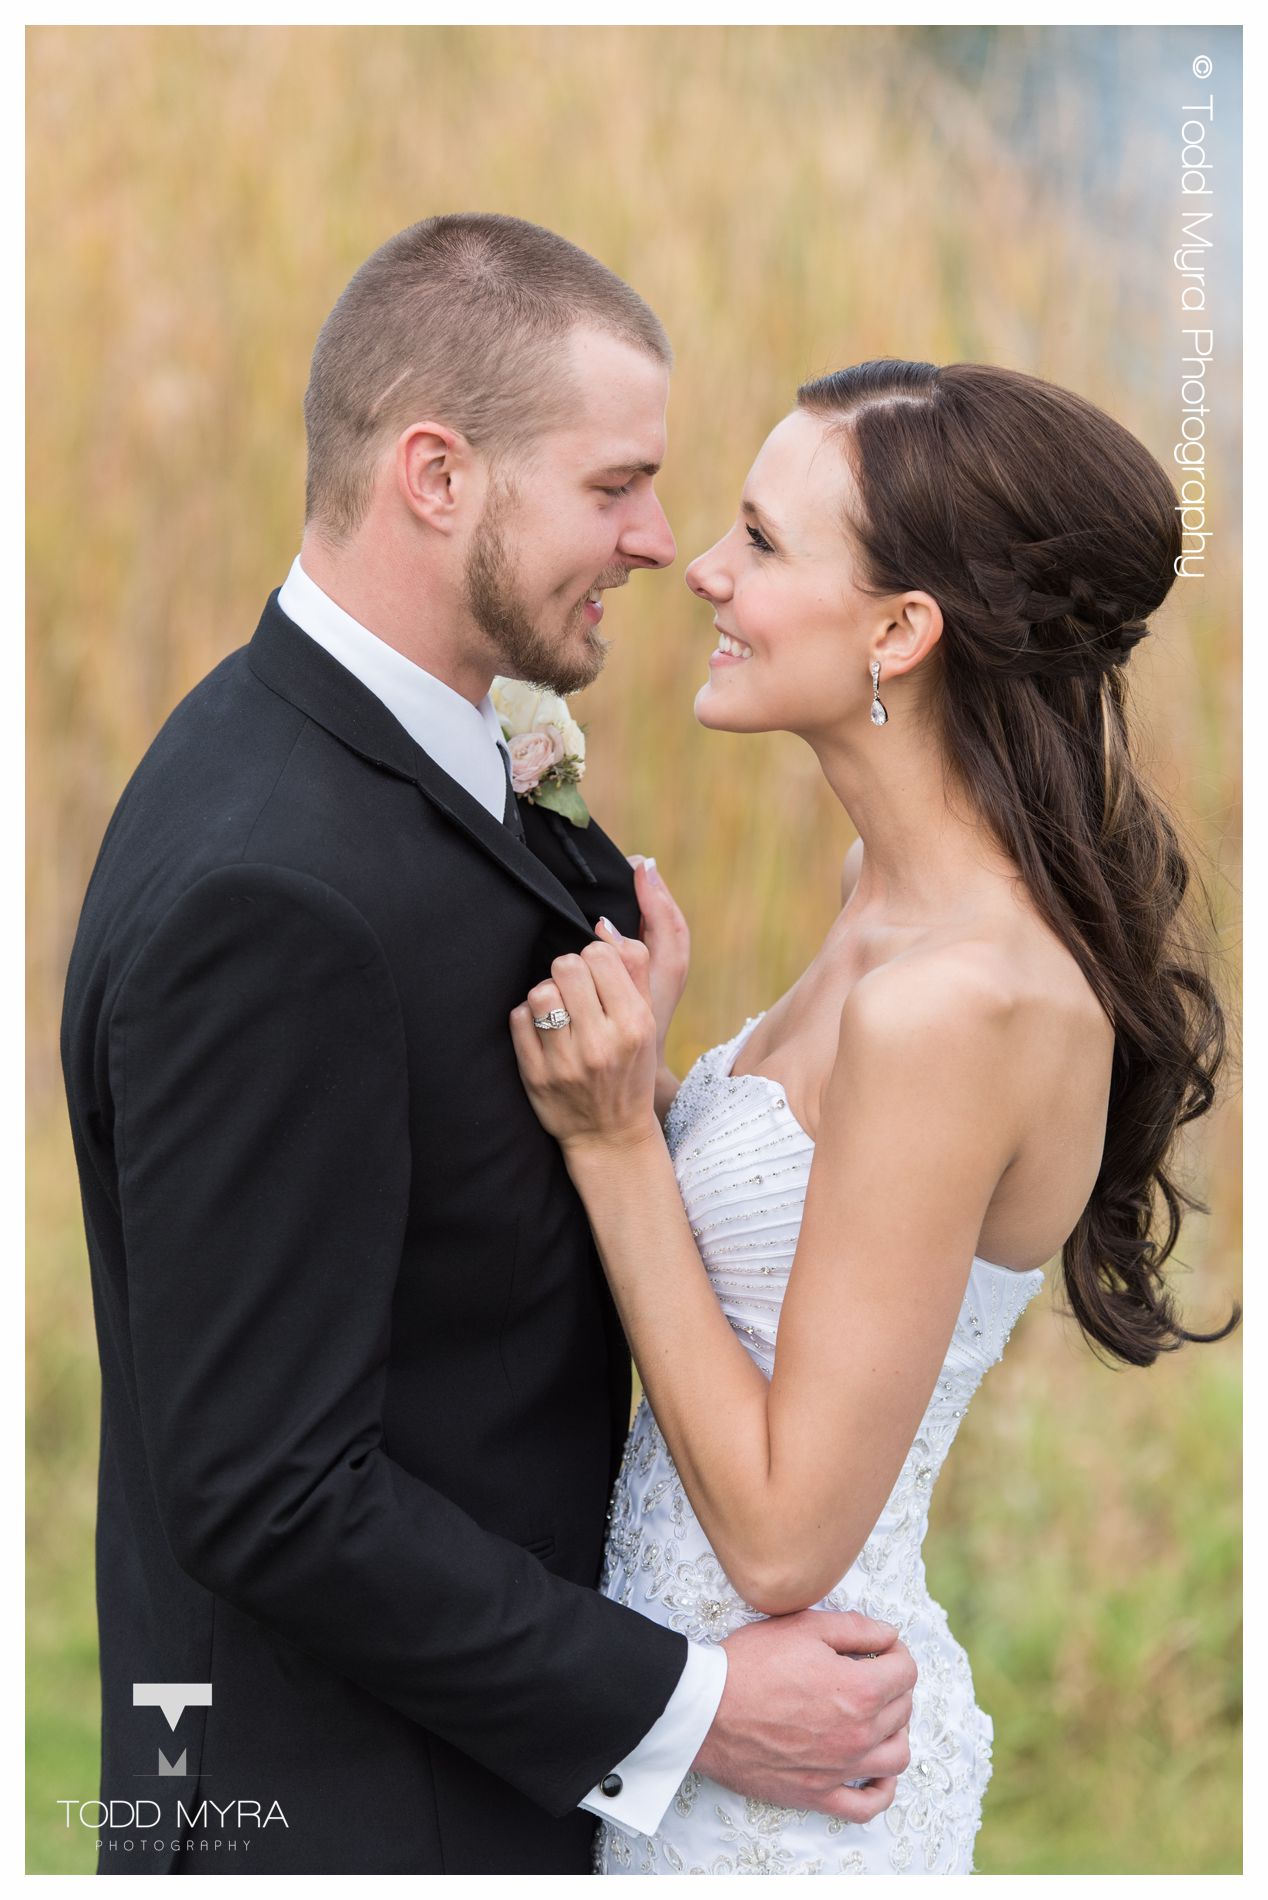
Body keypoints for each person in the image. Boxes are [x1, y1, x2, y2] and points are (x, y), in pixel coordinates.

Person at [59, 218, 916, 1877]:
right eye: (615, 488)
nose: (662, 542)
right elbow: (269, 1490)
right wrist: (695, 1706)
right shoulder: (271, 888)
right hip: (353, 1823)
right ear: (436, 476)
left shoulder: (383, 752)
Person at [509, 359, 1238, 1875]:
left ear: (903, 631)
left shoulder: (960, 1002)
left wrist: (617, 1144)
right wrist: (649, 1080)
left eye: (764, 545)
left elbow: (784, 1536)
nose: (701, 567)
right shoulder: (879, 906)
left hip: (791, 1796)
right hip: (692, 1734)